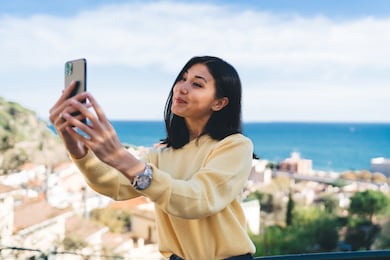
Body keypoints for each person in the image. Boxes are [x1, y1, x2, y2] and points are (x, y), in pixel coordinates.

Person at [49, 56, 256, 260]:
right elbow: (114, 186)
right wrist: (77, 149)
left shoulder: (235, 146)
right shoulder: (162, 153)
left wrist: (121, 157)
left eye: (197, 84)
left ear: (219, 103)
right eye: (182, 79)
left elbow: (199, 200)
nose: (181, 88)